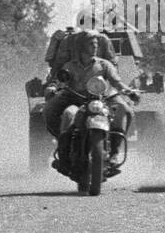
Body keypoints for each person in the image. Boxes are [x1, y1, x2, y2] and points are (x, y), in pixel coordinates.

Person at [44, 30, 138, 168]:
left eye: (96, 44)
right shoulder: (69, 66)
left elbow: (117, 82)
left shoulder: (105, 65)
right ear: (82, 47)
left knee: (126, 110)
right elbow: (60, 80)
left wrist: (129, 92)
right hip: (75, 100)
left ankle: (115, 153)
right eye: (91, 44)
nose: (95, 47)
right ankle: (64, 154)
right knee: (67, 113)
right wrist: (52, 88)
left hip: (102, 99)